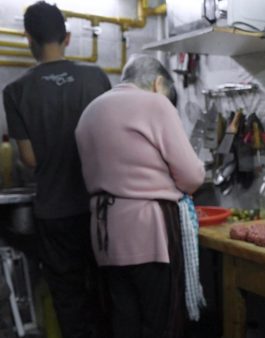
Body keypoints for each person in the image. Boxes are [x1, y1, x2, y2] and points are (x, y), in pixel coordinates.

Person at [75, 54, 205, 338]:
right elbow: (192, 177)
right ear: (159, 84)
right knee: (160, 323)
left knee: (124, 321)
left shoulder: (90, 111)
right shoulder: (155, 103)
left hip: (104, 234)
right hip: (148, 232)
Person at [2, 2, 111, 337]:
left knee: (68, 298)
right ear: (67, 36)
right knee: (107, 293)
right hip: (101, 210)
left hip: (54, 213)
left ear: (28, 39)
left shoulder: (16, 92)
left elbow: (30, 159)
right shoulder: (97, 78)